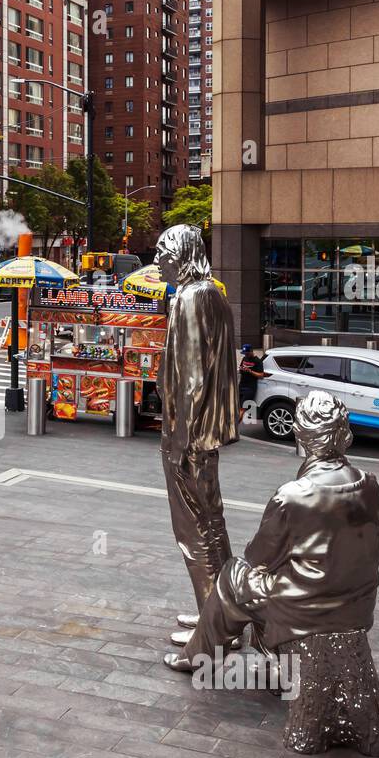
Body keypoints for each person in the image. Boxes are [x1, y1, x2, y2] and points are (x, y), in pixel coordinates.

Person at [166, 391, 379, 758]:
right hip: (357, 604)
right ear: (346, 435)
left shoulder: (292, 496)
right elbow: (377, 533)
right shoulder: (373, 485)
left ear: (300, 436)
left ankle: (199, 655)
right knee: (262, 583)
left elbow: (259, 555)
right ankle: (251, 656)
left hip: (305, 607)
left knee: (234, 577)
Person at [155, 224, 237, 654]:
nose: (158, 262)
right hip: (207, 434)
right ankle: (220, 614)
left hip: (187, 437)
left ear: (183, 253)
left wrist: (180, 439)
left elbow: (190, 378)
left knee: (194, 532)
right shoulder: (215, 294)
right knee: (213, 524)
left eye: (162, 253)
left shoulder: (189, 297)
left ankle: (213, 637)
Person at [237, 343, 268, 427]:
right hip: (241, 385)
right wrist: (241, 369)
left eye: (247, 353)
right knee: (237, 407)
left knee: (242, 408)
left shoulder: (257, 361)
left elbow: (261, 375)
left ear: (251, 351)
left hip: (250, 388)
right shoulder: (244, 358)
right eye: (244, 353)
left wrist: (250, 371)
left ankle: (235, 427)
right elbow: (240, 369)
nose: (246, 355)